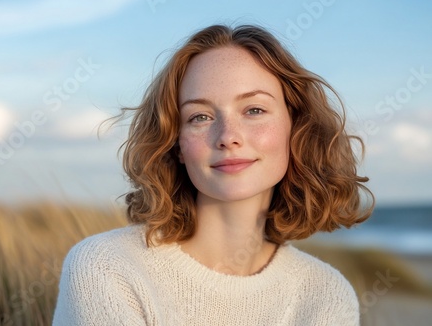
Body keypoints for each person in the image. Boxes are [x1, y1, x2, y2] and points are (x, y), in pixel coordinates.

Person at [53, 24, 374, 325]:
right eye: (200, 116)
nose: (228, 136)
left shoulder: (327, 295)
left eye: (254, 110)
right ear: (175, 143)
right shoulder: (106, 267)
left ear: (296, 127)